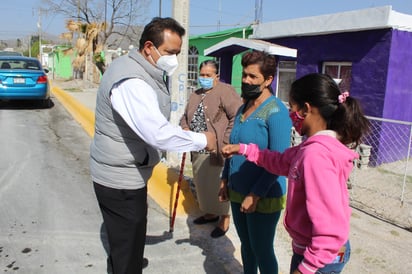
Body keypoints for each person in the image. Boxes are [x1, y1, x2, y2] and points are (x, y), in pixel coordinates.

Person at [90, 17, 216, 274]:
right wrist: (203, 140)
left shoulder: (142, 69)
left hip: (126, 174)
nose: (175, 60)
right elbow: (156, 134)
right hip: (120, 181)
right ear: (149, 47)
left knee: (129, 240)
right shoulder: (131, 81)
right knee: (127, 249)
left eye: (178, 53)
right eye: (170, 52)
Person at [222, 73, 371, 274]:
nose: (290, 115)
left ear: (306, 109)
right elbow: (280, 161)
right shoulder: (312, 147)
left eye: (292, 108)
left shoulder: (316, 156)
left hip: (318, 259)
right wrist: (245, 149)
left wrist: (305, 269)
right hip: (314, 252)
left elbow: (330, 228)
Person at [218, 50, 292, 274]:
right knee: (246, 246)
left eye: (253, 77)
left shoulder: (276, 113)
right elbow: (233, 148)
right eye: (244, 75)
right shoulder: (243, 107)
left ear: (268, 80)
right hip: (238, 190)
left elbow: (279, 161)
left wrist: (255, 194)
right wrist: (225, 179)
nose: (245, 80)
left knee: (262, 249)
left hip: (263, 194)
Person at [180, 60, 242, 238]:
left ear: (217, 76)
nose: (204, 78)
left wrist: (225, 140)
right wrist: (185, 129)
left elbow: (236, 116)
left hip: (217, 150)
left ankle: (224, 218)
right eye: (202, 75)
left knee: (218, 184)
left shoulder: (225, 91)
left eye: (208, 75)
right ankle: (210, 212)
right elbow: (185, 116)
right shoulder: (195, 94)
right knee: (203, 184)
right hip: (198, 148)